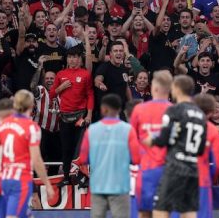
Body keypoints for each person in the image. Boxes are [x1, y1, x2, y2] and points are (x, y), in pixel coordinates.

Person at [0, 90, 55, 218]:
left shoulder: (2, 124)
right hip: (21, 179)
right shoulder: (31, 127)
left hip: (4, 178)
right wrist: (47, 184)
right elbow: (36, 159)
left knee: (24, 213)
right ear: (31, 105)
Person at [146, 75, 208, 218]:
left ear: (177, 89)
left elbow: (162, 140)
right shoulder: (200, 114)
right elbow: (200, 149)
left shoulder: (174, 110)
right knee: (188, 210)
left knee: (160, 209)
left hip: (174, 167)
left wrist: (151, 140)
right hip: (193, 168)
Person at [76, 94, 142, 218]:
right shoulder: (128, 130)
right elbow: (136, 159)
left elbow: (83, 159)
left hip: (98, 185)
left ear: (104, 109)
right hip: (120, 186)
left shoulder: (92, 130)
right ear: (119, 109)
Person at [129, 70, 173, 218]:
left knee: (144, 213)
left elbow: (132, 140)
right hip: (169, 171)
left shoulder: (139, 109)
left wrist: (137, 161)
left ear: (154, 87)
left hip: (146, 170)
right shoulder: (177, 111)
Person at [52, 46, 94, 178]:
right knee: (66, 149)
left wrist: (89, 115)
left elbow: (90, 95)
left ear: (80, 59)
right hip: (64, 116)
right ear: (67, 59)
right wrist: (61, 87)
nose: (73, 60)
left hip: (80, 116)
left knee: (80, 149)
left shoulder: (85, 74)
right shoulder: (60, 74)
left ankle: (80, 177)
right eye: (70, 57)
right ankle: (66, 177)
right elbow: (52, 93)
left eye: (75, 57)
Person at [193, 94, 219, 218]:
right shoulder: (212, 129)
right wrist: (210, 177)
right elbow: (218, 164)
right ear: (211, 112)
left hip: (180, 179)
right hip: (202, 180)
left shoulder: (181, 124)